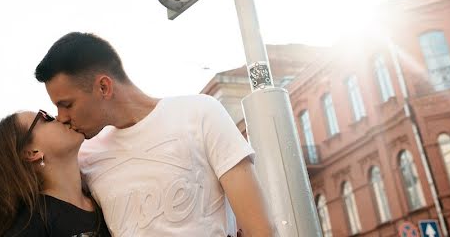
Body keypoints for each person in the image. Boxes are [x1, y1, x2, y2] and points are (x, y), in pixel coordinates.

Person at [34, 32, 275, 237]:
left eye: (67, 104)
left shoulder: (199, 114)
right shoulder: (84, 157)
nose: (61, 116)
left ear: (103, 87)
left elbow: (261, 229)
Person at [0, 109, 111, 237]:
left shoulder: (104, 193)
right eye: (46, 118)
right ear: (31, 153)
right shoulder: (29, 227)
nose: (60, 117)